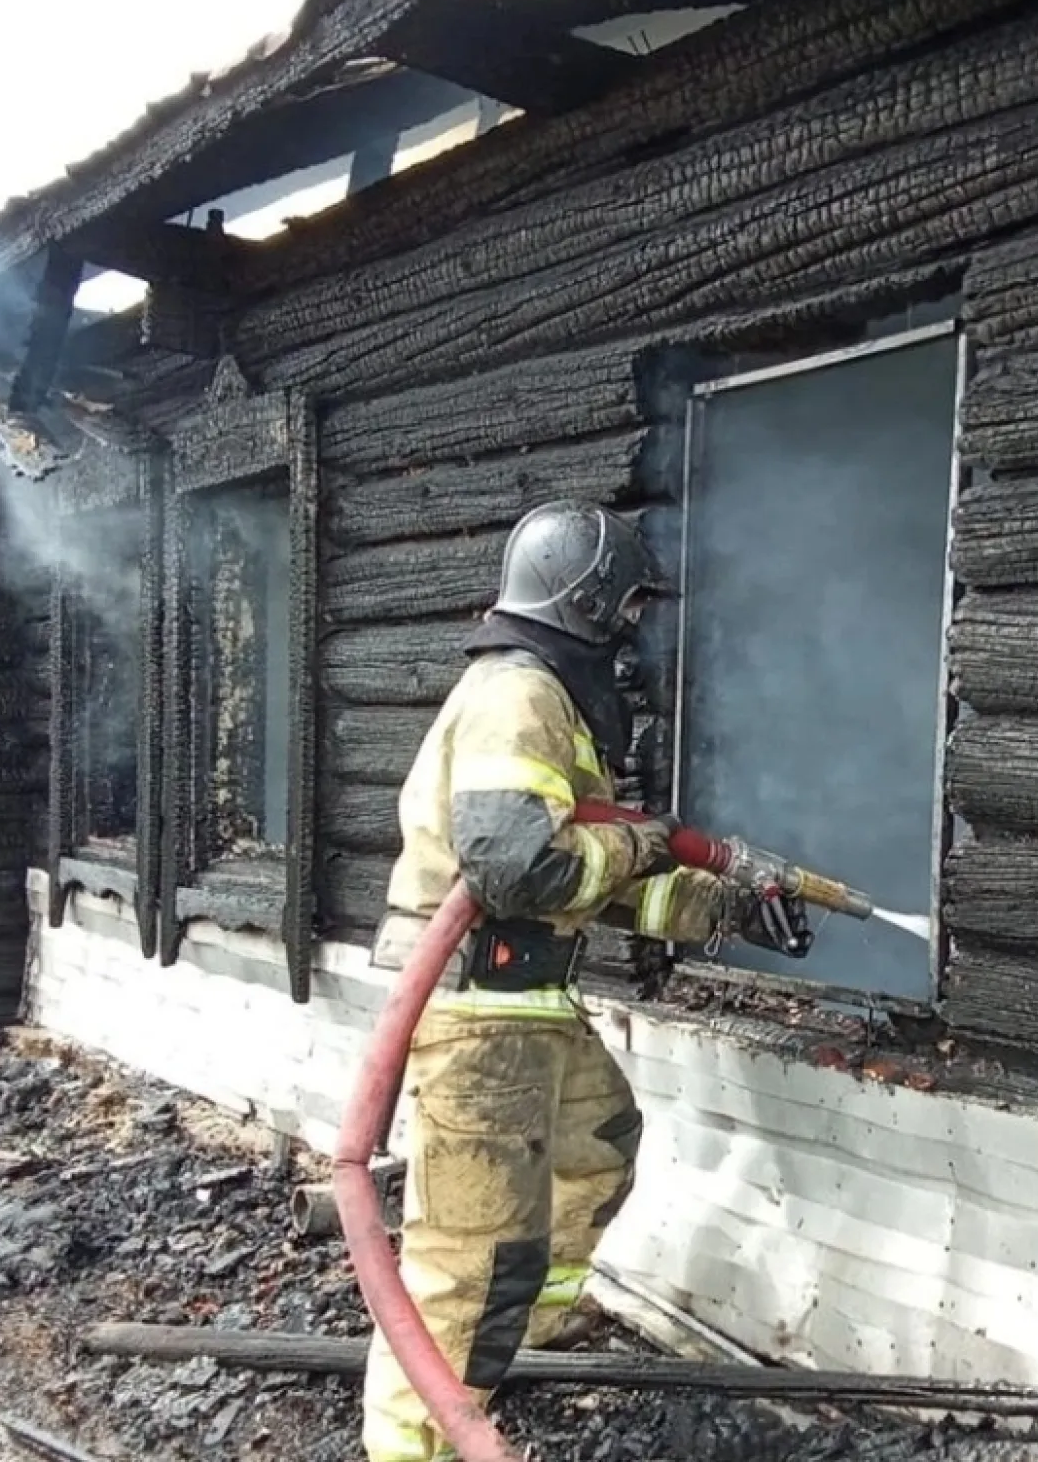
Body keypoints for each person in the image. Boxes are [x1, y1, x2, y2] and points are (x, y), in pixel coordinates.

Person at [360, 498, 814, 1462]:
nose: (639, 626)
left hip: (527, 1002)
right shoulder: (517, 693)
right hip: (481, 1013)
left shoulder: (551, 700)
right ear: (592, 598)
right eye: (633, 604)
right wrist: (642, 837)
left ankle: (526, 1332)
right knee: (475, 1257)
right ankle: (419, 1440)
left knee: (601, 1144)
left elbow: (595, 888)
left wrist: (732, 908)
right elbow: (516, 867)